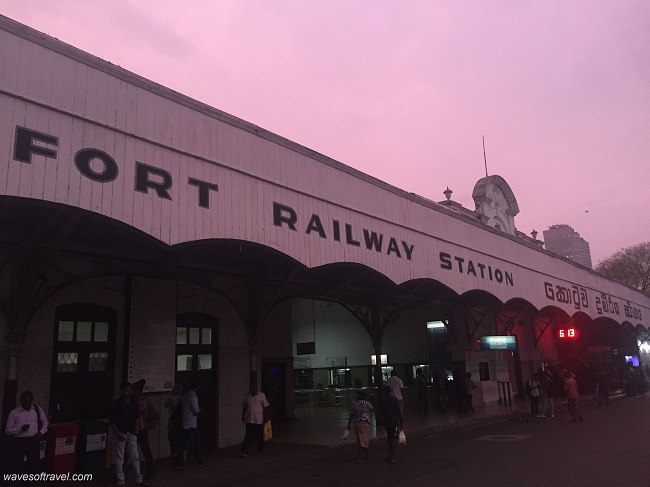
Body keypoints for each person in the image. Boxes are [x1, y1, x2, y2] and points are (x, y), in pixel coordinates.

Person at [109, 381, 150, 487]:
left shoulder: (133, 402)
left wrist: (137, 427)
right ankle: (121, 480)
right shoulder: (117, 404)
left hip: (131, 432)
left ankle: (139, 478)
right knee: (120, 457)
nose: (129, 392)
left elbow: (137, 416)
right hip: (121, 432)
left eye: (130, 390)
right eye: (127, 390)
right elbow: (112, 421)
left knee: (135, 455)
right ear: (122, 391)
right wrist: (117, 432)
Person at [5, 391, 48, 476]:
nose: (27, 403)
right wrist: (20, 429)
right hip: (20, 441)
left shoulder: (37, 409)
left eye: (29, 401)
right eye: (25, 401)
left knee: (34, 464)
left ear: (32, 400)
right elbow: (7, 430)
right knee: (17, 464)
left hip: (33, 440)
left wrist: (41, 432)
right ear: (21, 401)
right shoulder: (14, 413)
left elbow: (45, 421)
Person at [176, 381, 204, 470]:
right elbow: (196, 411)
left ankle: (199, 462)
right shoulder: (193, 396)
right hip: (191, 424)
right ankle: (181, 463)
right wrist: (202, 410)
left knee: (195, 443)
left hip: (185, 423)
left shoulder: (184, 395)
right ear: (197, 387)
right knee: (187, 445)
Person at [239, 381, 270, 458]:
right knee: (248, 435)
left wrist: (266, 418)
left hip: (258, 420)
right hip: (249, 420)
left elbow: (265, 407)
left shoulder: (261, 396)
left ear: (256, 387)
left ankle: (260, 449)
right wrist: (243, 416)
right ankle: (244, 451)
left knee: (259, 435)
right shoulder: (247, 396)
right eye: (251, 387)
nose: (252, 388)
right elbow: (245, 407)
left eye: (253, 387)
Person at [133, 379, 157, 480]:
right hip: (142, 428)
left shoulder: (139, 401)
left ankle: (151, 471)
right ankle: (151, 471)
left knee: (143, 450)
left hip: (140, 428)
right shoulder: (143, 400)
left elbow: (138, 415)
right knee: (145, 450)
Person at [346, 390, 374, 463]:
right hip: (365, 423)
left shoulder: (355, 404)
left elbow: (352, 414)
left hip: (357, 423)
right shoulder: (368, 404)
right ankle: (361, 456)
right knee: (365, 439)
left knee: (360, 439)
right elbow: (372, 410)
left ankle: (364, 455)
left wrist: (349, 424)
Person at [379, 385, 403, 463]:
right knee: (394, 439)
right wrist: (401, 421)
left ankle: (389, 454)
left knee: (389, 438)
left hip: (387, 422)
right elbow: (398, 412)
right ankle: (392, 456)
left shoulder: (382, 400)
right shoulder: (394, 400)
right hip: (394, 421)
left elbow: (381, 412)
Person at [164, 383, 184, 464]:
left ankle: (174, 458)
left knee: (172, 440)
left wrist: (171, 394)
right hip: (180, 421)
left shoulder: (172, 399)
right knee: (179, 440)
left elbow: (165, 404)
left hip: (172, 421)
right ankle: (180, 458)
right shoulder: (182, 398)